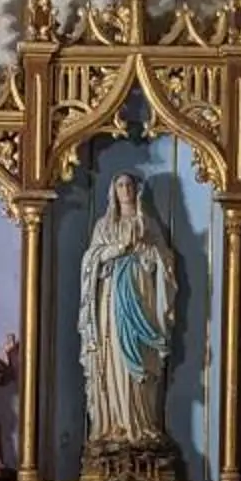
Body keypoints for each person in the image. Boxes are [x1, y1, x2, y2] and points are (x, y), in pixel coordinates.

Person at [80, 174, 177, 451]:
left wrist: (146, 251)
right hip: (111, 303)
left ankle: (141, 423)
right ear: (113, 191)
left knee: (140, 358)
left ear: (137, 190)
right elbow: (90, 262)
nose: (125, 190)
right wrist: (114, 251)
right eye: (120, 185)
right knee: (113, 359)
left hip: (141, 299)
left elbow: (165, 263)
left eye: (129, 185)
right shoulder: (104, 226)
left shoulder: (148, 224)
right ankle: (113, 424)